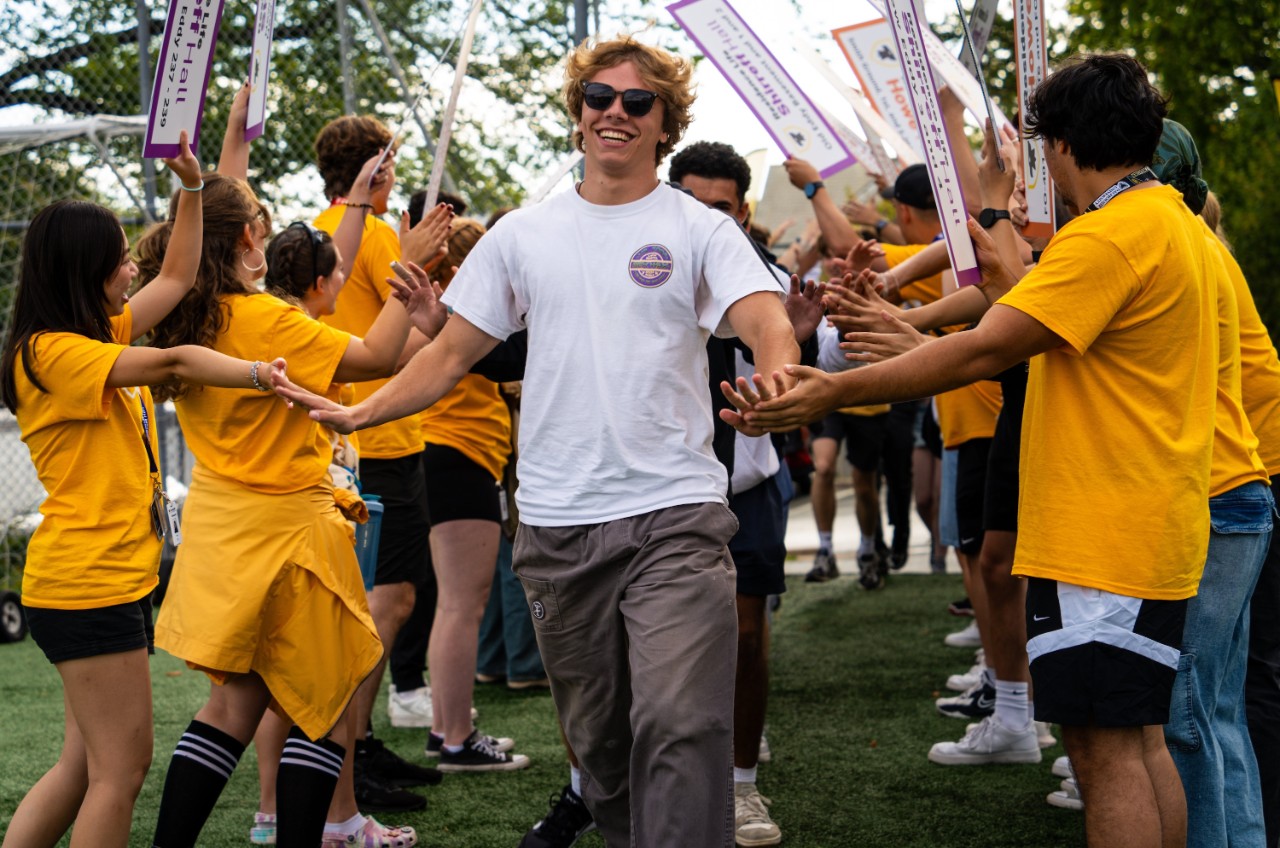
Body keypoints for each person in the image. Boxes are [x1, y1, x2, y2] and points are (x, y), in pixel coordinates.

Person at [272, 35, 800, 848]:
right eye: (598, 96)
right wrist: (359, 413)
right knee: (603, 744)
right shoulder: (522, 234)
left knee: (681, 721)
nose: (614, 113)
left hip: (677, 514)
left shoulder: (699, 227)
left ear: (665, 123)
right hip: (558, 525)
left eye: (636, 102)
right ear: (577, 112)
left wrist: (776, 373)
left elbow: (765, 318)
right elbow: (450, 352)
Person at [724, 53, 1232, 848]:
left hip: (1103, 535)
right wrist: (904, 329)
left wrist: (829, 391)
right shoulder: (1176, 224)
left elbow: (984, 348)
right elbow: (1006, 325)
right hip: (1148, 527)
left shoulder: (1114, 233)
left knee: (1105, 756)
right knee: (1138, 742)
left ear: (1062, 145)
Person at [138, 145, 433, 847]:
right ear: (248, 238)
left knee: (234, 704)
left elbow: (223, 201)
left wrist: (354, 201)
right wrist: (405, 273)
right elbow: (378, 358)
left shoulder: (189, 317)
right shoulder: (267, 321)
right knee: (324, 705)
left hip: (225, 535)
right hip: (294, 537)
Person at [0, 135, 283, 848]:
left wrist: (190, 188)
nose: (134, 266)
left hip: (102, 580)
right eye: (120, 258)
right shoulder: (54, 353)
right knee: (120, 771)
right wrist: (259, 374)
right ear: (82, 271)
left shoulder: (91, 335)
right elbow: (176, 358)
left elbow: (182, 275)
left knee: (82, 765)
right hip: (84, 584)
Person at [311, 114, 454, 806]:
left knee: (392, 598)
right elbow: (389, 342)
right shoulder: (368, 232)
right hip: (381, 440)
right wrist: (453, 345)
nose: (396, 166)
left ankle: (358, 745)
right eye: (389, 157)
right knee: (386, 602)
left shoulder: (332, 225)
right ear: (376, 169)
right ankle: (349, 753)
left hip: (383, 438)